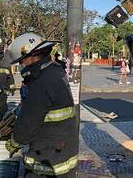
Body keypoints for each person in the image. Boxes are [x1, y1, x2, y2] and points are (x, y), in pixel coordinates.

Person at [5, 33, 78, 177]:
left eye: (22, 61)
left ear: (32, 56)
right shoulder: (55, 71)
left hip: (48, 153)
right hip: (64, 146)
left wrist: (15, 142)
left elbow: (29, 121)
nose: (21, 66)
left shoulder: (41, 82)